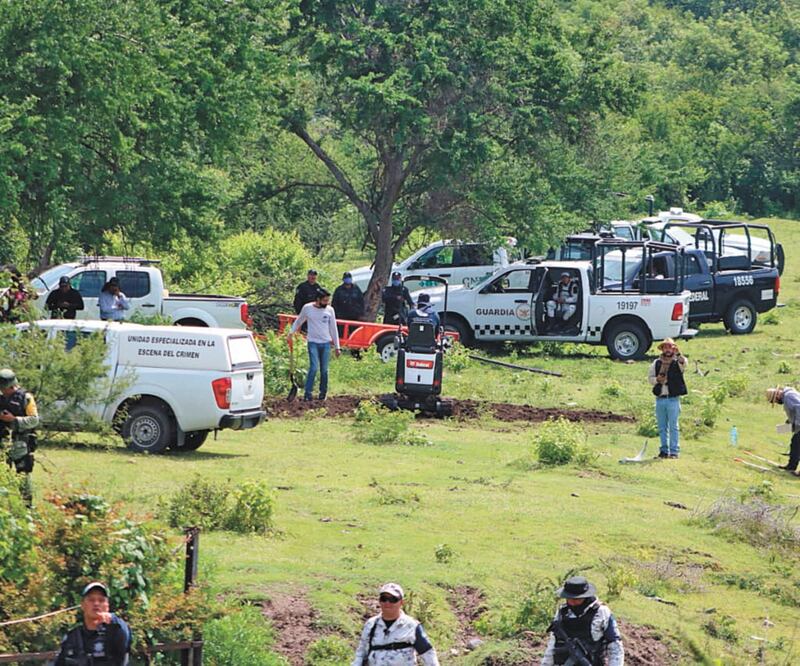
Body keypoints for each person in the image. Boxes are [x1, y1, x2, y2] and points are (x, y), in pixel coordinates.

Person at [541, 576, 624, 666]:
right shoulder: (562, 612)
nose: (572, 602)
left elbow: (615, 645)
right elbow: (553, 643)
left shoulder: (601, 612)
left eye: (576, 599)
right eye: (569, 598)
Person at [352, 583, 440, 666]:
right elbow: (361, 653)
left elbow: (428, 654)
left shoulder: (412, 626)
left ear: (401, 602)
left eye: (393, 599)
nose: (387, 603)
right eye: (384, 598)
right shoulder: (370, 625)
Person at [54, 581, 132, 666]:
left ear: (107, 606)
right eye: (91, 600)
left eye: (101, 600)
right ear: (83, 605)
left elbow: (125, 634)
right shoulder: (72, 637)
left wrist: (113, 619)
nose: (96, 604)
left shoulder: (115, 632)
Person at [288, 289, 341, 401]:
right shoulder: (308, 308)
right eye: (324, 300)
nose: (327, 303)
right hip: (313, 342)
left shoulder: (330, 310)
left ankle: (323, 393)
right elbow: (299, 321)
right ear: (318, 300)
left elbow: (333, 328)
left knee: (324, 370)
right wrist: (291, 333)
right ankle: (308, 393)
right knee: (313, 367)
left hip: (325, 343)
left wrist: (337, 346)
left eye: (328, 300)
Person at [0, 368, 39, 506]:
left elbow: (34, 420)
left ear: (11, 386)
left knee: (23, 474)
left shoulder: (26, 398)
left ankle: (26, 506)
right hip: (2, 442)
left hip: (20, 443)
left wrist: (13, 419)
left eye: (4, 388)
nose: (3, 391)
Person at [648, 338, 687, 459]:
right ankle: (664, 450)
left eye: (670, 347)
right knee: (662, 426)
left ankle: (674, 451)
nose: (668, 350)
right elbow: (650, 378)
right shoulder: (656, 363)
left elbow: (684, 363)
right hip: (661, 398)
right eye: (665, 347)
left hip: (673, 398)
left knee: (673, 426)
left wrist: (678, 353)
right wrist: (657, 380)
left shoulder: (677, 362)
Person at [766, 386, 800, 477]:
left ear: (777, 396)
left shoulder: (789, 396)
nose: (777, 403)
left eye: (775, 401)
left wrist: (797, 424)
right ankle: (791, 466)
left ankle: (791, 467)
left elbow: (799, 407)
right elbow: (794, 410)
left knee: (796, 443)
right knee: (795, 443)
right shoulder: (788, 396)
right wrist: (790, 421)